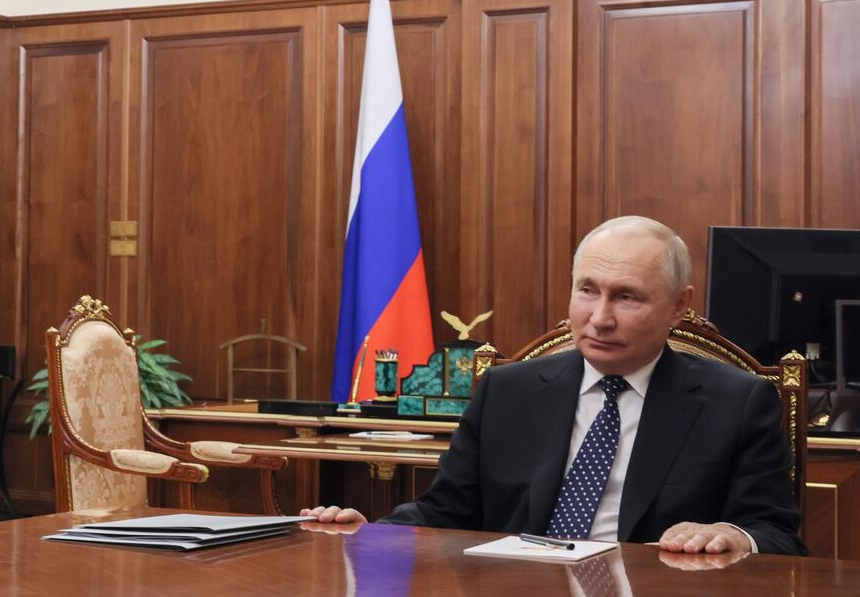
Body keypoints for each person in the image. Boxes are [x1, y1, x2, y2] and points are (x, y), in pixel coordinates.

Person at [302, 215, 804, 556]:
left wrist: (730, 534)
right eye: (587, 290)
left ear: (677, 306)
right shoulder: (506, 391)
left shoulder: (736, 403)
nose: (599, 318)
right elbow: (445, 511)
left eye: (626, 297)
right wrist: (371, 533)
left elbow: (777, 533)